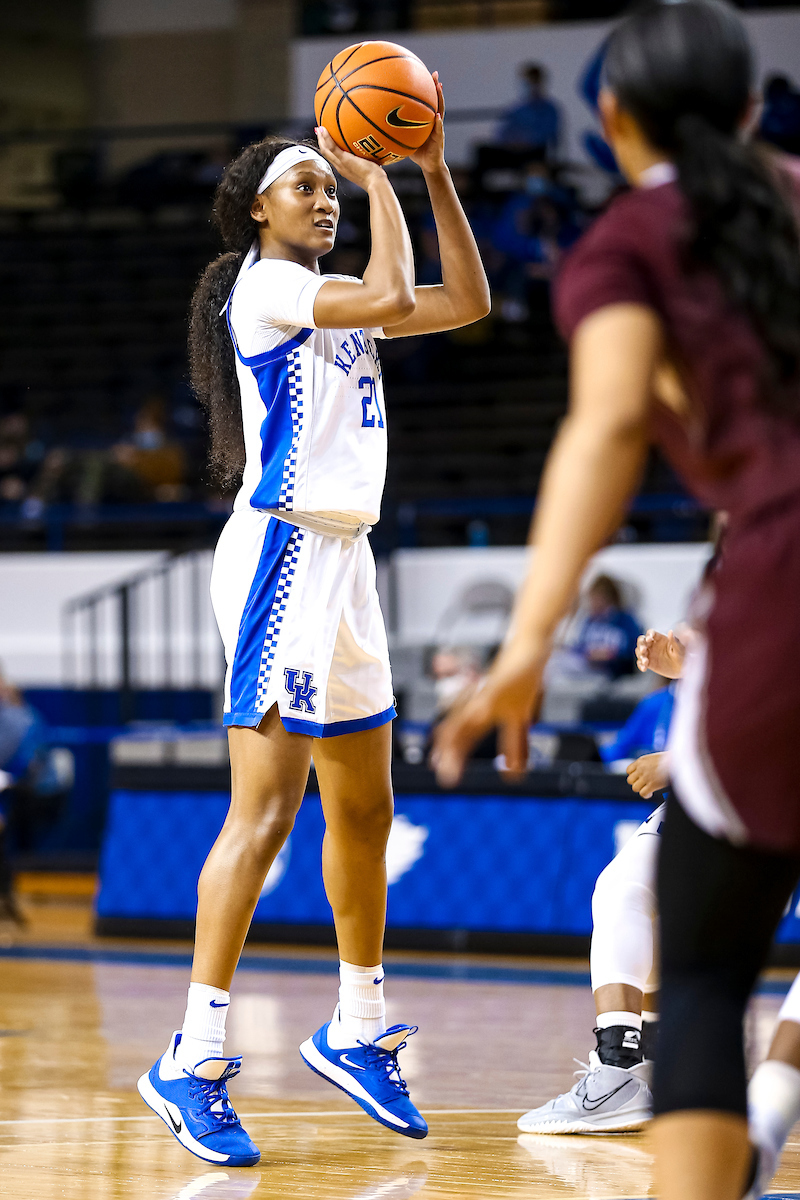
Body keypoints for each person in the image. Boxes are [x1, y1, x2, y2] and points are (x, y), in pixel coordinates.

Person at [433, 3, 800, 1198]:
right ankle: (770, 1110)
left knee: (697, 974)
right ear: (751, 110)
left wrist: (525, 643)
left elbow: (600, 433)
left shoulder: (631, 242)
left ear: (609, 117)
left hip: (777, 587)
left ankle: (708, 1131)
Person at [137, 76, 490, 1169]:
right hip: (281, 557)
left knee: (366, 811)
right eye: (306, 185)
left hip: (346, 560)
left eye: (328, 185)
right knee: (263, 815)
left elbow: (464, 301)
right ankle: (190, 1057)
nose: (323, 197)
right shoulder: (269, 290)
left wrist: (430, 173)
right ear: (257, 210)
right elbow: (392, 295)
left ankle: (355, 1022)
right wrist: (381, 179)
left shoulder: (328, 296)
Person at [496, 64, 561, 160]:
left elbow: (546, 136)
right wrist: (512, 141)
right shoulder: (515, 110)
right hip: (511, 153)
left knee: (535, 168)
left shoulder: (549, 109)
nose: (531, 86)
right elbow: (501, 133)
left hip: (536, 155)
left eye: (534, 82)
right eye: (527, 82)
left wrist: (525, 140)